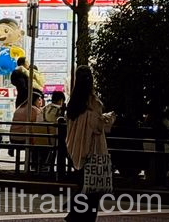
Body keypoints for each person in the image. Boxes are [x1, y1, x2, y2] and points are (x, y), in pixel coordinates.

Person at [64, 66, 114, 222]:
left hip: (77, 150)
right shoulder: (93, 102)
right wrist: (109, 118)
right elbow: (98, 126)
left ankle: (74, 212)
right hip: (94, 151)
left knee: (83, 185)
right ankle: (77, 215)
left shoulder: (72, 103)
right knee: (92, 191)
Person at [11, 87, 46, 168]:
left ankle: (33, 163)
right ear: (34, 100)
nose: (41, 102)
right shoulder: (34, 109)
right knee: (45, 143)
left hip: (13, 138)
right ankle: (38, 165)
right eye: (39, 100)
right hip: (24, 139)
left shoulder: (20, 107)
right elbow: (41, 123)